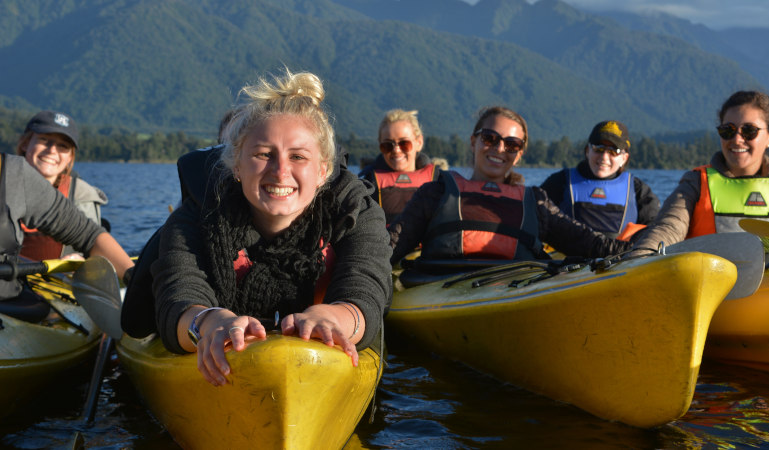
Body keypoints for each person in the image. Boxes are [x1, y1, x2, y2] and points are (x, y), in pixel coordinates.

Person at [147, 69, 393, 386]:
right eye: (264, 154)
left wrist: (331, 317)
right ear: (236, 165)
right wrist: (209, 321)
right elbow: (177, 297)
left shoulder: (356, 212)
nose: (280, 172)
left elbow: (367, 293)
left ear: (323, 170)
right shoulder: (196, 216)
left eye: (298, 156)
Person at [388, 106, 630, 266]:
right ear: (474, 142)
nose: (499, 149)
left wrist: (647, 249)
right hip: (439, 291)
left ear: (519, 154)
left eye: (511, 144)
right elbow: (389, 248)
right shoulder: (436, 194)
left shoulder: (535, 203)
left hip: (510, 293)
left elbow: (589, 243)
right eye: (490, 139)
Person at [632, 90, 769, 262]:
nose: (737, 139)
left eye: (749, 131)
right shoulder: (696, 183)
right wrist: (638, 262)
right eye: (728, 130)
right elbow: (668, 228)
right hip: (715, 287)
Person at [0, 153, 133, 318]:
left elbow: (90, 235)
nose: (51, 150)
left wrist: (136, 280)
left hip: (8, 305)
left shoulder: (13, 173)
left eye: (62, 146)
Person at [540, 120, 660, 240]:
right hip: (566, 256)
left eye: (613, 151)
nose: (604, 157)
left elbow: (656, 230)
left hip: (621, 256)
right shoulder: (559, 182)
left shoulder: (639, 191)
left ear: (624, 158)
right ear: (588, 151)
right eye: (599, 148)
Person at [15, 110, 109, 260]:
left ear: (70, 157)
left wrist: (83, 261)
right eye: (44, 140)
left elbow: (96, 255)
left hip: (60, 281)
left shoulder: (82, 196)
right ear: (25, 143)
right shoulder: (4, 183)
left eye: (62, 146)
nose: (52, 150)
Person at [359, 109, 441, 224]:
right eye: (387, 145)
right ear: (379, 145)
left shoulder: (439, 182)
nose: (396, 150)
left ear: (419, 142)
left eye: (404, 144)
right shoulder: (366, 185)